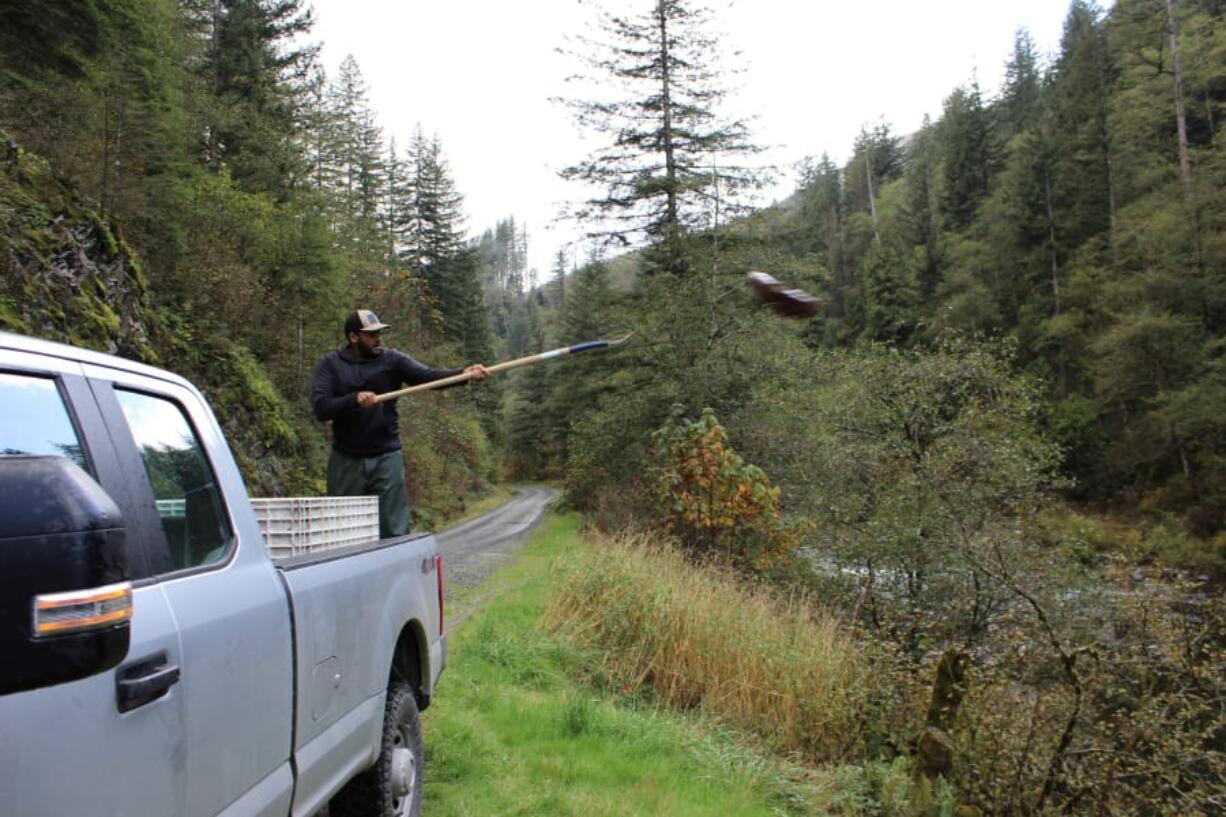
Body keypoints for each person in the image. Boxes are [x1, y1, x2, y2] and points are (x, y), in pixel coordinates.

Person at [312, 308, 490, 538]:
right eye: (371, 334)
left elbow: (428, 377)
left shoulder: (392, 360)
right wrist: (354, 399)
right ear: (353, 337)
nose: (378, 339)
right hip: (346, 459)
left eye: (379, 333)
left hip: (386, 456)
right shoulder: (330, 365)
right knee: (341, 531)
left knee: (394, 528)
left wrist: (464, 374)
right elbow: (322, 408)